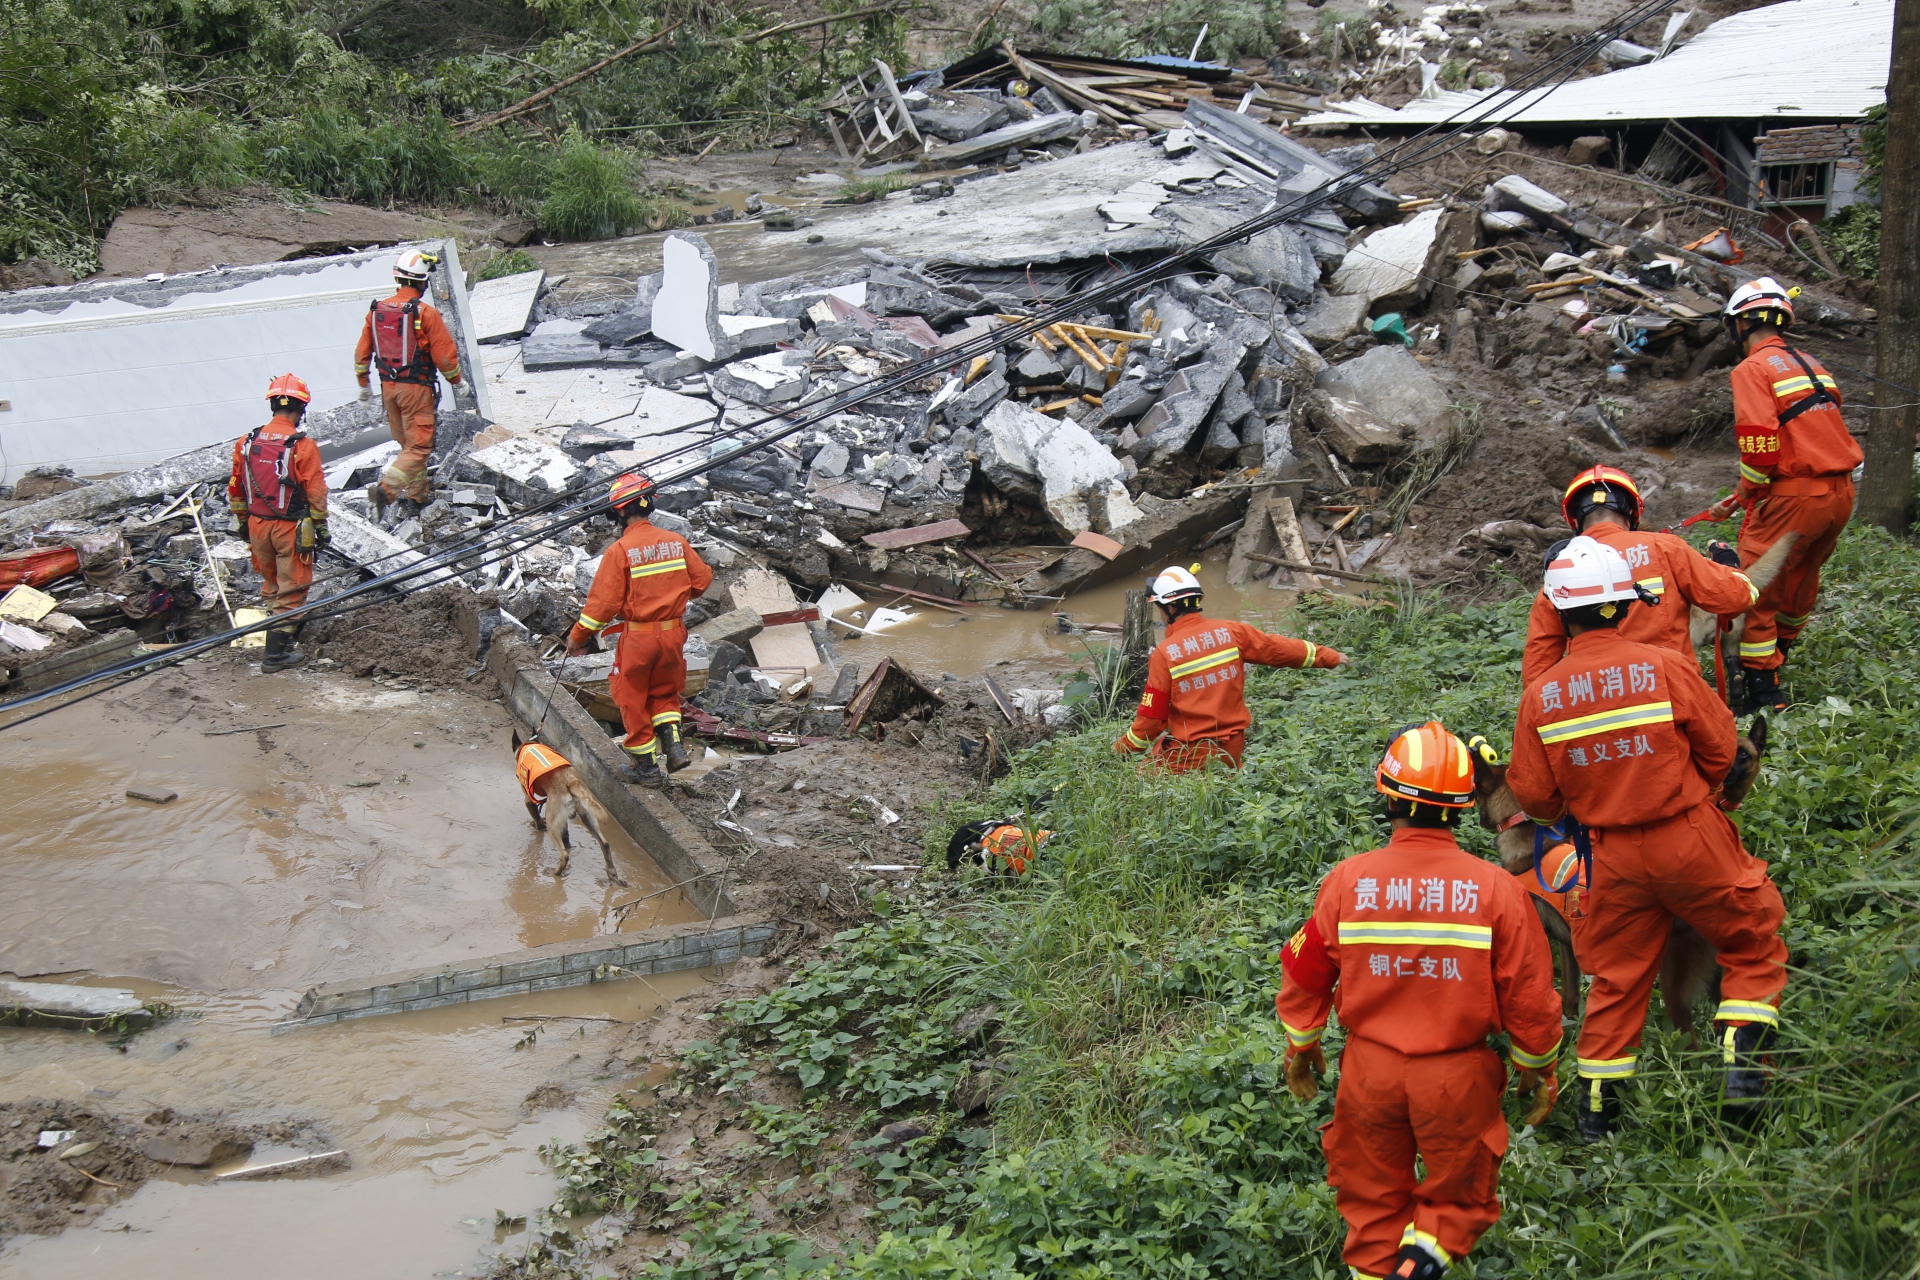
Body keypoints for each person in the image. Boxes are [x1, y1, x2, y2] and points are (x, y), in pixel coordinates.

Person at [1507, 536, 1787, 1140]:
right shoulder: (1665, 667)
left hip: (1608, 856)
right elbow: (1722, 751)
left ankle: (1597, 1121)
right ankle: (1744, 1078)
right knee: (1751, 940)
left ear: (1558, 611)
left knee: (1614, 981)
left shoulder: (1541, 696)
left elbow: (1535, 799)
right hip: (1688, 836)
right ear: (1623, 607)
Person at [1277, 721, 1563, 1280]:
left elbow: (1306, 974)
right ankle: (1422, 1264)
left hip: (1368, 1075)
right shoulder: (1497, 889)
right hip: (1456, 1080)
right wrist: (1537, 1066)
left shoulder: (1347, 881)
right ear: (1462, 805)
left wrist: (1303, 1044)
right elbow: (1530, 994)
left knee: (1372, 1208)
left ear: (1387, 795)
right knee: (1457, 1205)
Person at [1701, 277, 1862, 712]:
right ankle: (1779, 657)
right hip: (1839, 495)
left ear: (1741, 324)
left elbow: (1761, 443)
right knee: (1801, 581)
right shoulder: (1810, 362)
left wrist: (1746, 493)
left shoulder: (1751, 369)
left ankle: (1761, 690)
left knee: (1756, 590)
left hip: (1795, 499)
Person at [1521, 465, 1758, 686]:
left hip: (1601, 696)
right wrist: (1728, 564)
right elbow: (1735, 598)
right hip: (1672, 691)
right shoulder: (1665, 548)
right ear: (1633, 512)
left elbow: (1538, 668)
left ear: (1574, 518)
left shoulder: (1561, 570)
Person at [1113, 565, 1345, 772]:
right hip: (1232, 748)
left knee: (1137, 782)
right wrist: (1330, 656)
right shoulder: (1232, 631)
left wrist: (1120, 750)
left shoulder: (1165, 653)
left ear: (1171, 608)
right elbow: (1279, 649)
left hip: (1191, 755)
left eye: (1160, 609)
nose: (1161, 615)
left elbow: (1151, 722)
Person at [566, 472, 712, 785]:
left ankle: (646, 768)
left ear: (619, 511)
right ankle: (674, 747)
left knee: (630, 696)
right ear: (649, 506)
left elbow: (601, 608)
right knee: (664, 691)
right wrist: (673, 595)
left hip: (639, 637)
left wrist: (577, 636)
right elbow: (701, 581)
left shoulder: (619, 551)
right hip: (673, 633)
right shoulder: (676, 542)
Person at [227, 373, 328, 674]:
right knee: (292, 588)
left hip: (258, 526)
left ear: (273, 405)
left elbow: (235, 488)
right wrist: (321, 527)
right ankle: (275, 657)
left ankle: (284, 639)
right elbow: (316, 491)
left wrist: (244, 522)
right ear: (301, 409)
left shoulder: (246, 443)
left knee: (272, 584)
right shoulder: (302, 445)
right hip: (290, 529)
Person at [354, 248, 464, 517]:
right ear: (422, 281)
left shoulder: (376, 311)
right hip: (415, 390)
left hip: (388, 388)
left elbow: (362, 352)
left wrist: (363, 385)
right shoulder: (424, 313)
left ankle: (417, 497)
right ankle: (385, 492)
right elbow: (445, 357)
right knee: (419, 446)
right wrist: (458, 382)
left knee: (408, 446)